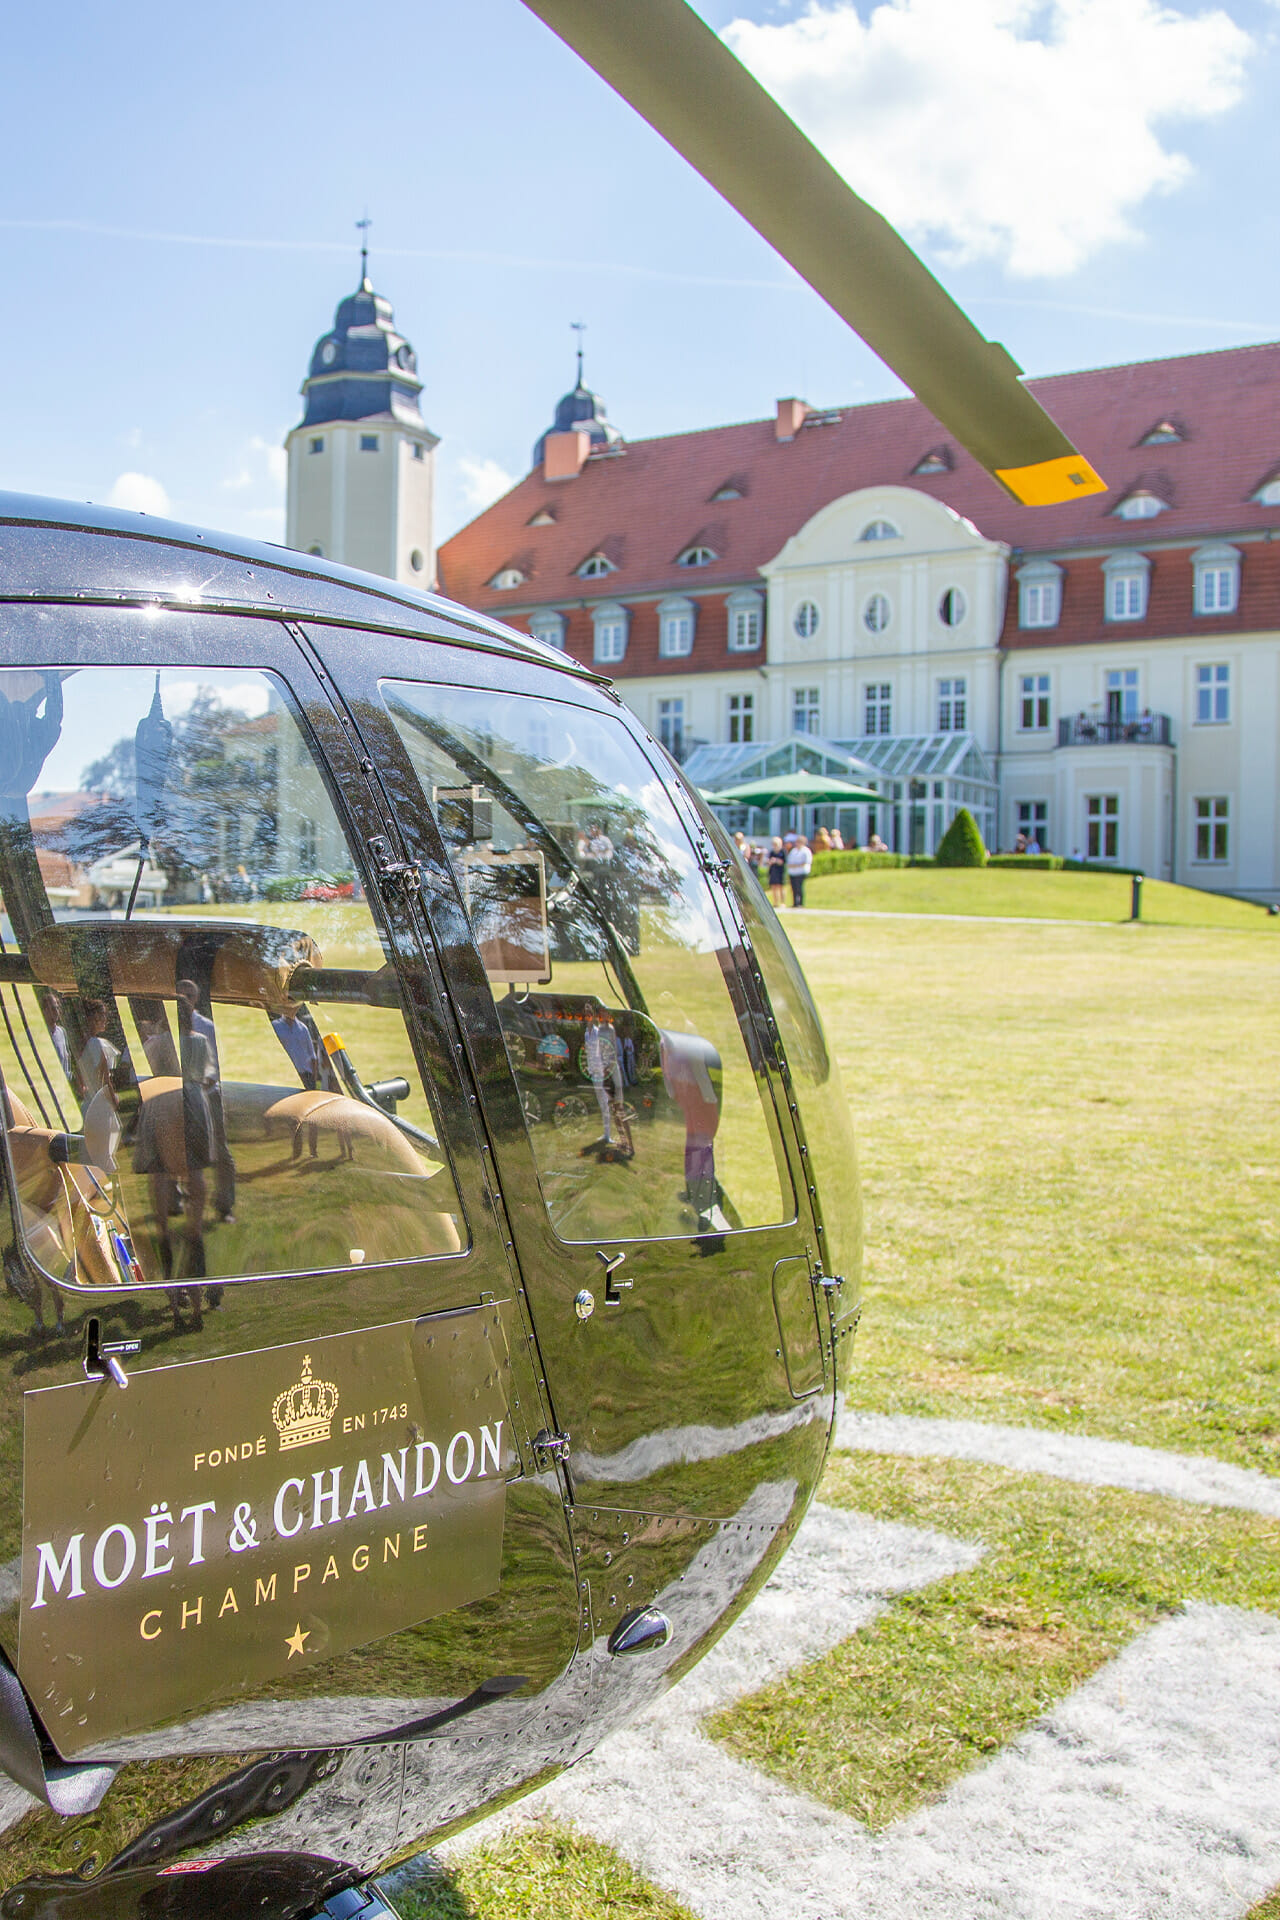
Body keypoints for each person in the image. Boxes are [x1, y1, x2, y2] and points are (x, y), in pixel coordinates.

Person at [175, 980, 236, 1223]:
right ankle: (178, 1200)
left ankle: (224, 1205)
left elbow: (216, 1066)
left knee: (220, 1149)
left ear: (196, 998)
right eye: (181, 995)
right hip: (182, 1093)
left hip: (208, 1093)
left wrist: (203, 1082)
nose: (185, 999)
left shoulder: (205, 1026)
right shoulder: (171, 1027)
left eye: (189, 995)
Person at [272, 1002, 321, 1160]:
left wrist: (312, 1081)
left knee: (311, 1116)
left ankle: (313, 1150)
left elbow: (312, 1056)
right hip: (290, 1074)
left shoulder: (303, 1029)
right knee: (293, 1117)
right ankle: (296, 1151)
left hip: (306, 1076)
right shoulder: (276, 1027)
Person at [77, 1000, 119, 1102]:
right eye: (102, 1015)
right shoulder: (96, 1044)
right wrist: (113, 1099)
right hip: (99, 1099)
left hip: (88, 1099)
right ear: (94, 1018)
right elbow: (105, 1079)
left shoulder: (83, 1043)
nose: (105, 1019)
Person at [786, 835, 813, 908]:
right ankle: (795, 903)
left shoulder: (806, 851)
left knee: (799, 888)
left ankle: (800, 903)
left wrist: (796, 865)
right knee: (793, 887)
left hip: (801, 872)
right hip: (793, 872)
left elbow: (806, 862)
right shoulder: (794, 851)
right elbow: (789, 861)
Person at [767, 837, 786, 909]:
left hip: (780, 871)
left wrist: (776, 860)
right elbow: (769, 861)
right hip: (773, 871)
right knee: (774, 887)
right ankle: (775, 902)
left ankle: (783, 902)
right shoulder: (772, 852)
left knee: (780, 887)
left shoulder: (782, 852)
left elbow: (784, 862)